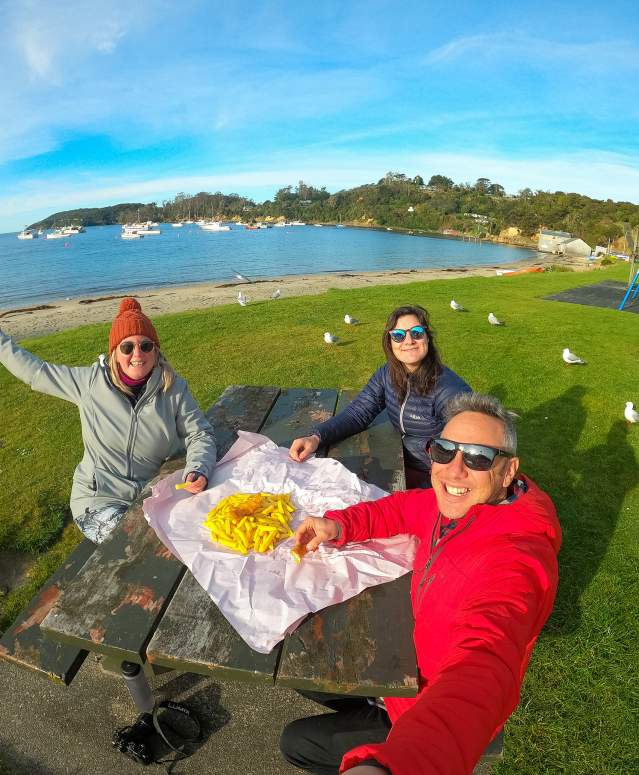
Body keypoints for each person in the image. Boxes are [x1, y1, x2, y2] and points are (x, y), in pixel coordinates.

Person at [281, 393, 561, 775]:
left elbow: (484, 664)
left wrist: (394, 766)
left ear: (509, 471)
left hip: (424, 709)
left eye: (478, 458)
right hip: (407, 665)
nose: (454, 470)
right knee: (302, 666)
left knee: (297, 742)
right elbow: (404, 507)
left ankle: (375, 713)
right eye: (444, 450)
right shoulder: (465, 504)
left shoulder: (514, 558)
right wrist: (339, 524)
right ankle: (371, 703)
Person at [0, 297, 216, 544]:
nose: (137, 354)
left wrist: (198, 468)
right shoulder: (89, 384)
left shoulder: (173, 388)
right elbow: (35, 372)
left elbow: (200, 434)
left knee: (200, 535)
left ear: (155, 351)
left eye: (145, 345)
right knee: (138, 548)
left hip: (152, 492)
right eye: (127, 347)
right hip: (98, 500)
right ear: (115, 353)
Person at [289, 305, 471, 487]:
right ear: (390, 342)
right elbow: (358, 413)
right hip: (396, 460)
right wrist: (316, 438)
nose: (408, 341)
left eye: (416, 332)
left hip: (431, 476)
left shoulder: (448, 389)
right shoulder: (387, 374)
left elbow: (471, 444)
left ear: (427, 338)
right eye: (398, 335)